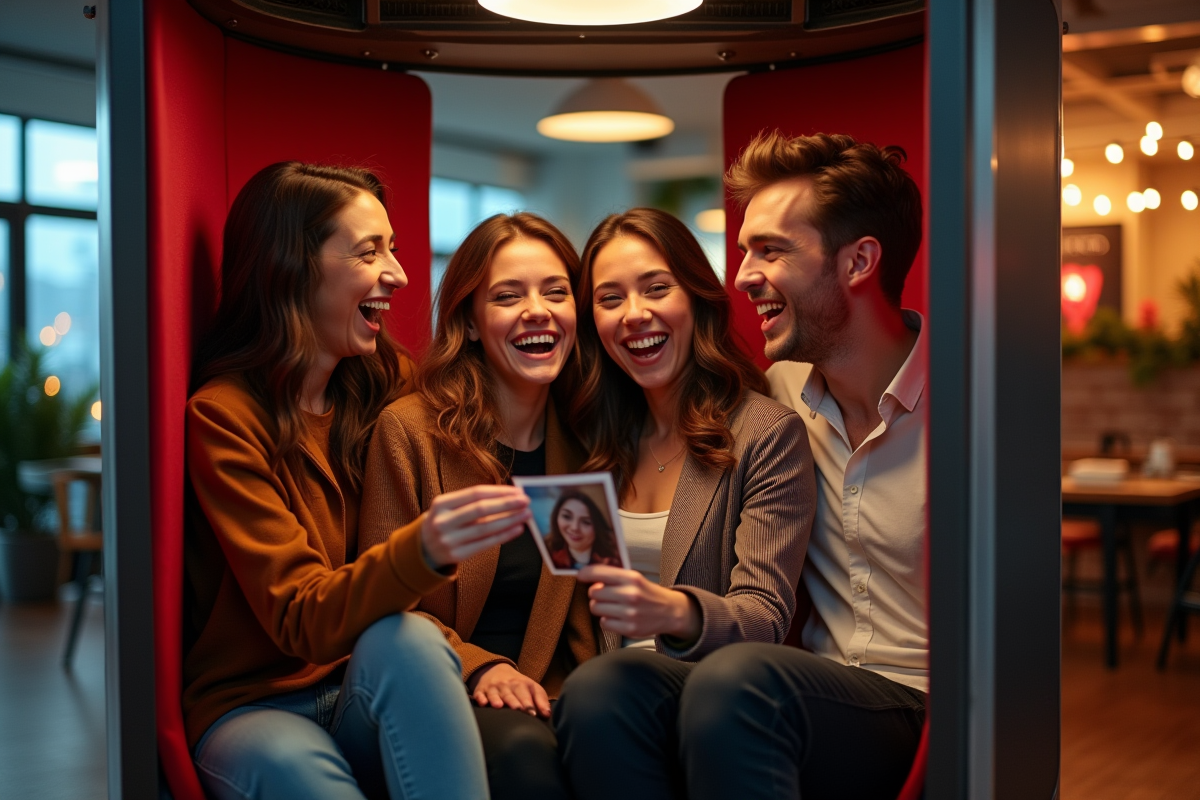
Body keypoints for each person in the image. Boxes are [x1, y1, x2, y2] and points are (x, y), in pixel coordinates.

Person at [184, 162, 524, 800]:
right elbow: (300, 618)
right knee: (294, 770)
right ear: (293, 267)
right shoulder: (223, 418)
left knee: (410, 637)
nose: (396, 273)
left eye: (392, 249)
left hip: (360, 685)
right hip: (254, 705)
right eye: (371, 252)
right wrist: (423, 548)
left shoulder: (382, 385)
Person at [674, 131, 929, 800]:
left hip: (929, 709)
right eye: (744, 252)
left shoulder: (974, 407)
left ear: (858, 261)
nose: (744, 276)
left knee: (740, 684)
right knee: (613, 687)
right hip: (813, 695)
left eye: (771, 250)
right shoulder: (778, 392)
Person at [551, 207, 816, 800]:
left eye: (656, 288)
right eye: (609, 298)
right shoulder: (590, 439)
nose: (635, 314)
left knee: (599, 691)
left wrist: (675, 611)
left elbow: (765, 614)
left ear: (696, 297)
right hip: (598, 703)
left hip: (709, 701)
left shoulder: (764, 433)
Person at [359, 213, 595, 800]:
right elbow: (383, 606)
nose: (537, 310)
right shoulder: (410, 432)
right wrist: (482, 666)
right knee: (526, 757)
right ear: (467, 321)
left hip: (550, 691)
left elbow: (582, 609)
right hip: (445, 691)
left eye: (556, 292)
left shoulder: (584, 441)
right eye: (508, 296)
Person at [543, 489, 623, 570]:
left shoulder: (614, 560)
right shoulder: (546, 552)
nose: (574, 528)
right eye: (567, 516)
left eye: (586, 522)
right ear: (556, 516)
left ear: (597, 526)